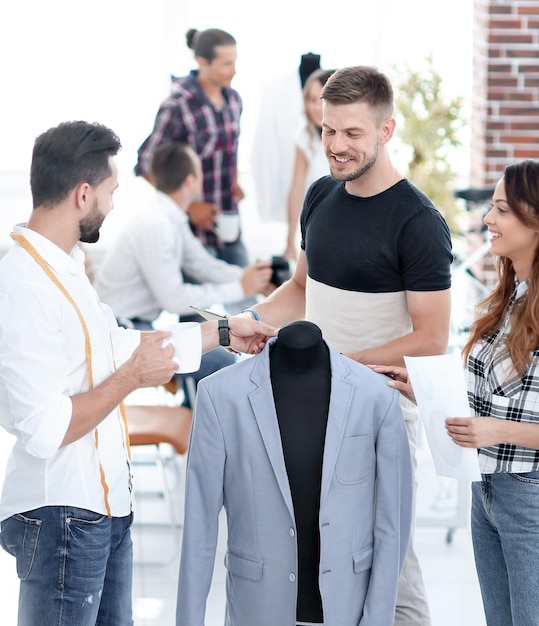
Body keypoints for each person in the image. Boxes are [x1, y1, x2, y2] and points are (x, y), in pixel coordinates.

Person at [0, 120, 277, 626]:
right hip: (63, 514)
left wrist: (221, 333)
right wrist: (129, 379)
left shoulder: (67, 269)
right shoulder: (23, 285)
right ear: (83, 194)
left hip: (104, 508)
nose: (112, 204)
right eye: (111, 192)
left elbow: (121, 346)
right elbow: (45, 428)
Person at [240, 65, 454, 626]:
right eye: (329, 131)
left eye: (352, 133)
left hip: (380, 416)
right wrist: (240, 322)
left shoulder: (419, 222)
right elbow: (302, 289)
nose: (336, 145)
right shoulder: (320, 196)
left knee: (392, 572)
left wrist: (335, 369)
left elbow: (432, 339)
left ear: (385, 131)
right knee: (314, 568)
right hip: (315, 410)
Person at [375, 159, 539, 626]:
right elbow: (492, 395)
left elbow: (501, 421)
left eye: (502, 210)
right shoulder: (511, 296)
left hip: (529, 496)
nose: (487, 219)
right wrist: (424, 393)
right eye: (491, 207)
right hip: (487, 490)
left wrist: (496, 430)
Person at [176, 320, 413, 626]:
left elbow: (393, 522)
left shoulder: (376, 394)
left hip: (346, 607)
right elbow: (199, 523)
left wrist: (377, 619)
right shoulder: (220, 395)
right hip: (256, 608)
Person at [96, 141, 272, 406]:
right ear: (190, 181)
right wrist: (240, 288)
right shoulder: (157, 225)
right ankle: (198, 432)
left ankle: (193, 421)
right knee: (222, 361)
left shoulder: (170, 218)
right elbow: (174, 299)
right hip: (123, 326)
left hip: (138, 322)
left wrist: (254, 279)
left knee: (216, 352)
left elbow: (203, 265)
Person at [134, 28, 248, 269]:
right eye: (226, 64)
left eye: (235, 61)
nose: (234, 70)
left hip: (228, 223)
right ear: (202, 62)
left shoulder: (234, 100)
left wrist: (234, 181)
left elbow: (229, 150)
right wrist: (191, 207)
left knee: (247, 299)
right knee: (193, 306)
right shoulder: (177, 105)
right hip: (191, 234)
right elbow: (145, 164)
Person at [283, 68, 335, 261]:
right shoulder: (305, 136)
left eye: (322, 100)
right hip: (317, 226)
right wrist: (289, 242)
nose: (316, 107)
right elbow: (296, 188)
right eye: (312, 100)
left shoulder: (352, 138)